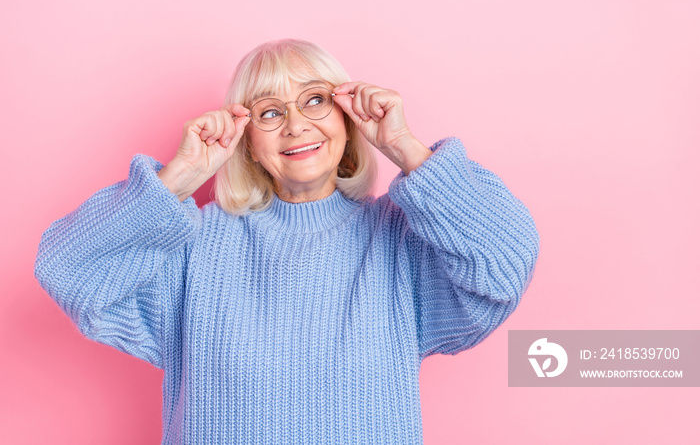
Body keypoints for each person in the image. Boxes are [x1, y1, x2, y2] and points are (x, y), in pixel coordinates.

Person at [34, 38, 540, 444]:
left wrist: (404, 147)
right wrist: (180, 177)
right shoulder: (192, 244)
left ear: (347, 118)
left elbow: (504, 263)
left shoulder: (400, 242)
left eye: (315, 100)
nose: (296, 124)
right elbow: (67, 270)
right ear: (247, 142)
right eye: (270, 112)